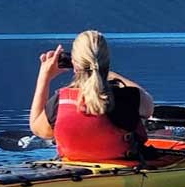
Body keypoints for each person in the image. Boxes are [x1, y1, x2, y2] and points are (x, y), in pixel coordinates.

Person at [29, 30, 155, 162]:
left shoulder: (59, 101)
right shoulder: (129, 97)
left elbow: (38, 129)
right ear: (106, 61)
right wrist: (109, 73)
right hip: (124, 163)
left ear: (75, 64)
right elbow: (149, 106)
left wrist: (44, 77)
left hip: (75, 167)